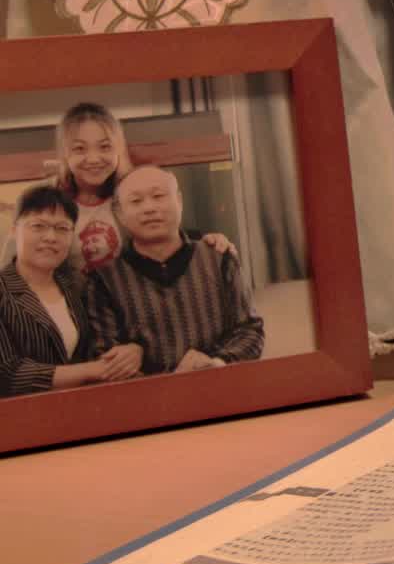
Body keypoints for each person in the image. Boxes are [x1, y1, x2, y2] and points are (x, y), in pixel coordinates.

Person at [0, 103, 234, 272]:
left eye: (104, 147)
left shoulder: (133, 193)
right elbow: (12, 264)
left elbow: (169, 243)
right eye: (80, 149)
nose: (93, 159)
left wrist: (209, 244)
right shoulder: (44, 198)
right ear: (64, 154)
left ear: (119, 149)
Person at [88, 165, 264, 375]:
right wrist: (167, 384)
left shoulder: (218, 258)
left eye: (158, 196)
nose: (149, 208)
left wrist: (216, 362)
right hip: (149, 394)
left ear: (179, 201)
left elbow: (250, 330)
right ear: (120, 214)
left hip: (219, 381)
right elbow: (106, 356)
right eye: (136, 201)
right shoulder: (104, 279)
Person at [0, 186, 143, 397]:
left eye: (62, 228)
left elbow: (104, 341)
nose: (51, 237)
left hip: (84, 406)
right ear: (14, 230)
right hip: (21, 413)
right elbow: (6, 373)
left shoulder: (79, 285)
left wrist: (132, 351)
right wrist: (91, 370)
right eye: (38, 226)